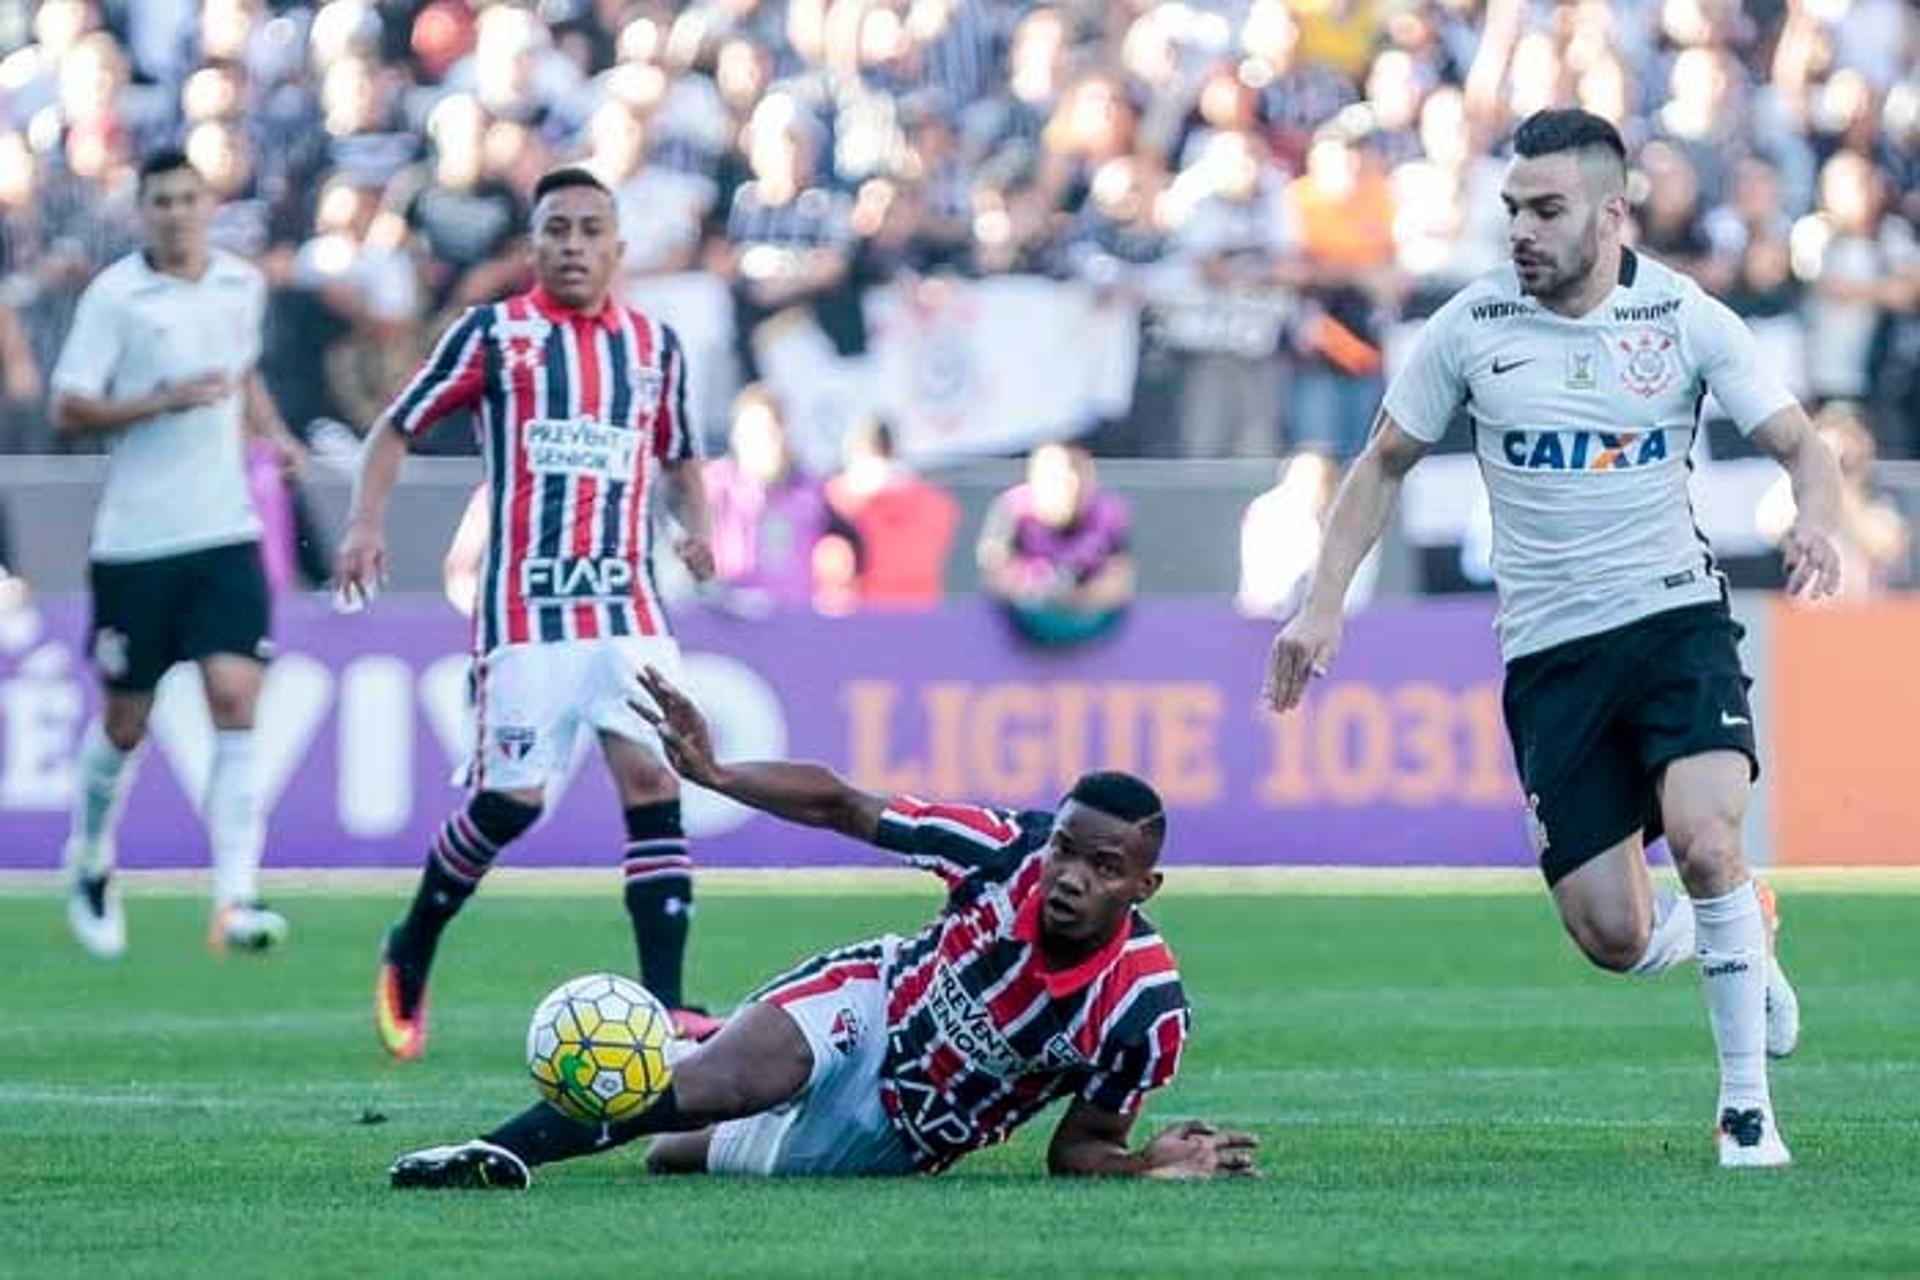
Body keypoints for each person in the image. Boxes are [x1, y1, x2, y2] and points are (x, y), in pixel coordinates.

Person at [1261, 109, 1845, 1170]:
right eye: (1511, 211)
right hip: (1551, 656)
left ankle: (1747, 1113)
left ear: (1612, 213)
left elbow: (1803, 446)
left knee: (1707, 837)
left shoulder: (1686, 317)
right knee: (1612, 935)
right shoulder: (1472, 326)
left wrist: (1816, 513)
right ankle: (1741, 929)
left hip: (1676, 622)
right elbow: (1382, 463)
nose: (1521, 231)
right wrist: (1321, 601)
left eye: (1546, 210)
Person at [387, 667, 1258, 1189]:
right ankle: (485, 1156)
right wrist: (718, 773)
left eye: (1102, 868)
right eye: (1066, 848)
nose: (1067, 875)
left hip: (900, 1129)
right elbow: (845, 802)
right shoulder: (1002, 849)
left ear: (1145, 886)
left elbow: (1080, 1150)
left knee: (674, 1155)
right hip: (875, 1000)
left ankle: (704, 1084)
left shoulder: (1145, 1010)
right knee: (717, 1084)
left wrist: (1143, 1164)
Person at [334, 166, 722, 1061]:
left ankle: (663, 1004)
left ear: (618, 248)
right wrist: (363, 523)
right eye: (558, 230)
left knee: (657, 782)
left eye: (592, 230)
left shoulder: (656, 347)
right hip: (526, 614)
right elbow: (395, 426)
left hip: (627, 605)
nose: (575, 245)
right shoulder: (494, 336)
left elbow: (683, 456)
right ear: (534, 247)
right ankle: (415, 937)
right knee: (512, 801)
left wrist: (697, 529)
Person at [48, 147, 306, 959]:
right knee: (127, 719)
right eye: (159, 200)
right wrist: (159, 399)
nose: (175, 212)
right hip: (136, 541)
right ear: (141, 212)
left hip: (224, 528)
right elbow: (67, 408)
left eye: (188, 198)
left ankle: (235, 895)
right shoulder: (116, 297)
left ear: (208, 204)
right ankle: (89, 857)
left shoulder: (241, 284)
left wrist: (276, 434)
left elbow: (243, 372)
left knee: (236, 695)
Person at [978, 443, 1135, 647]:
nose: (1071, 487)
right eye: (1059, 480)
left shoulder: (1109, 514)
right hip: (1023, 625)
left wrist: (1077, 599)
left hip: (1091, 621)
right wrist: (1039, 594)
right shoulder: (1014, 509)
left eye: (1078, 477)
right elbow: (995, 574)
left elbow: (1120, 579)